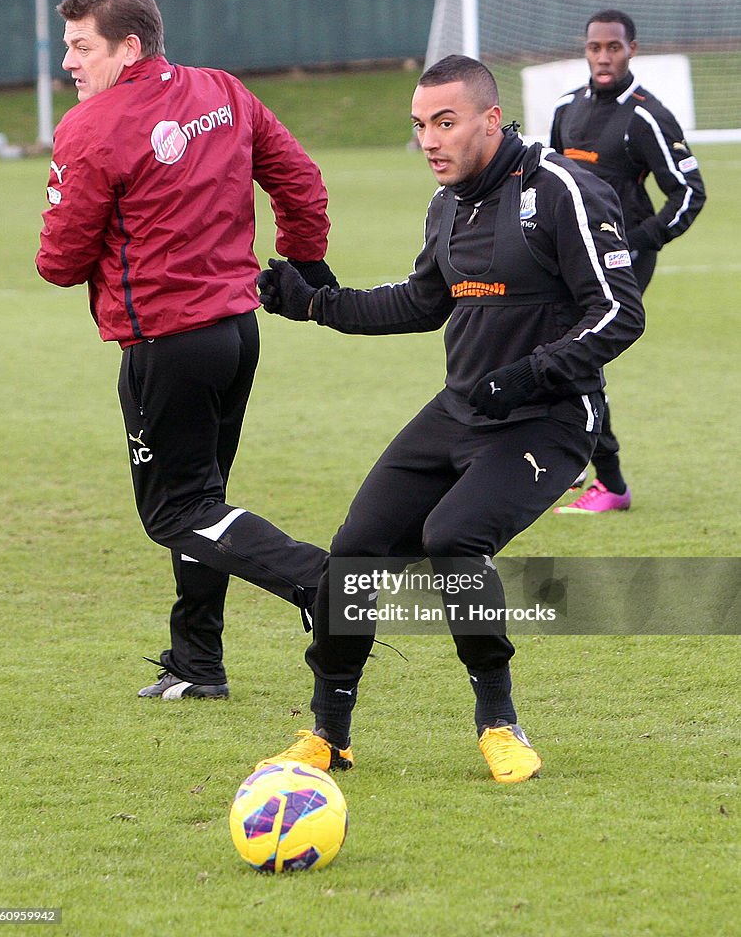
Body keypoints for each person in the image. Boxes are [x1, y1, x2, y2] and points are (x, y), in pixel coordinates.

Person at [253, 55, 645, 783]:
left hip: (547, 419)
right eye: (420, 125)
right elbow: (421, 302)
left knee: (453, 536)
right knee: (356, 548)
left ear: (491, 120)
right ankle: (328, 733)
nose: (430, 140)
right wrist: (313, 303)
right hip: (462, 408)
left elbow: (620, 312)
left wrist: (530, 374)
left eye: (445, 122)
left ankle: (499, 722)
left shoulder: (561, 189)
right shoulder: (448, 205)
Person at [36, 0, 336, 700]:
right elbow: (300, 179)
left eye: (82, 47)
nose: (68, 62)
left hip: (167, 345)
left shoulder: (92, 128)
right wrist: (305, 258)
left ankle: (326, 584)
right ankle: (196, 664)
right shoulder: (222, 91)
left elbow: (59, 261)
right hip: (236, 333)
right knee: (205, 503)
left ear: (128, 47)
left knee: (177, 511)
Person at [550, 9, 706, 514]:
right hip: (568, 256)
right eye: (595, 46)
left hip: (621, 262)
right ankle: (570, 460)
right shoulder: (566, 107)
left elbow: (687, 193)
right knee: (550, 349)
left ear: (631, 50)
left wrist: (638, 241)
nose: (603, 56)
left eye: (613, 47)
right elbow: (553, 183)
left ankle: (610, 484)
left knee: (580, 355)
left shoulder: (646, 116)